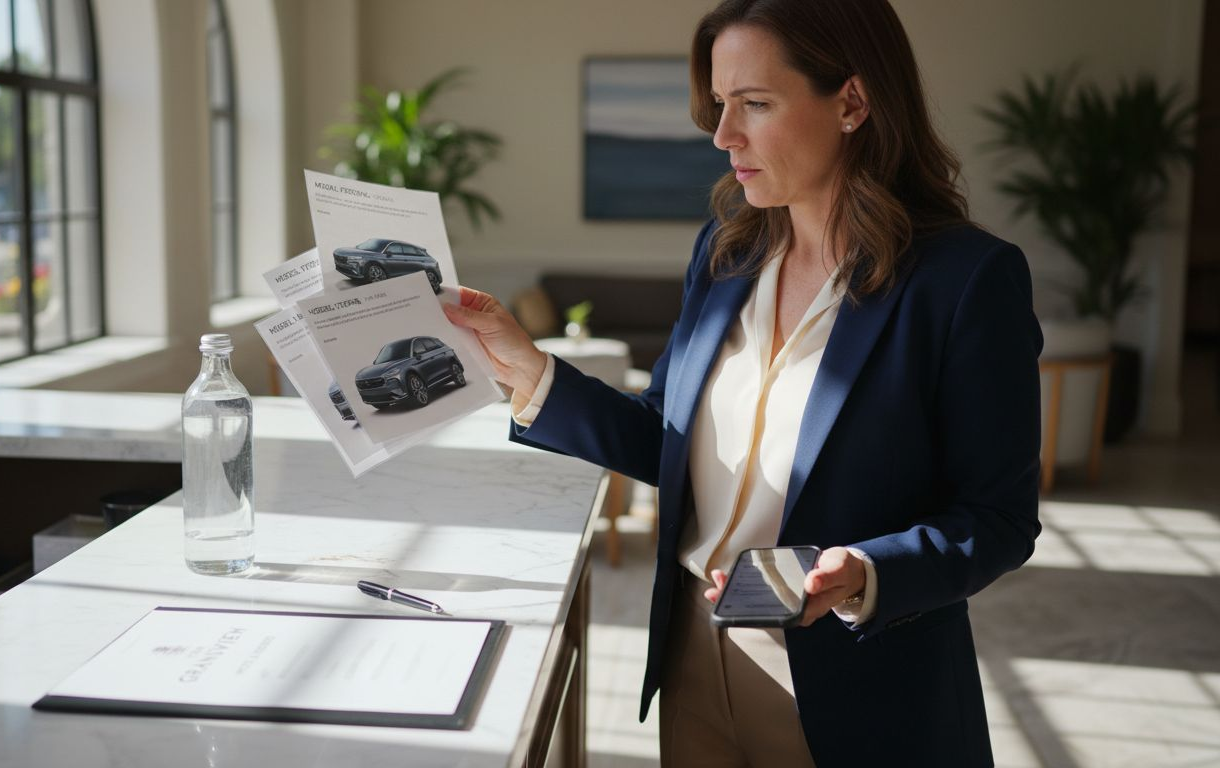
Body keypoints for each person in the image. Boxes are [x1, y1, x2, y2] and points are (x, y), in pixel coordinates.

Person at [444, 0, 1042, 765]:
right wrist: (527, 369)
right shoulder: (726, 254)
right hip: (694, 654)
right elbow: (668, 433)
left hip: (861, 683)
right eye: (722, 105)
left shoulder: (966, 281)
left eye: (755, 104)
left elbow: (996, 518)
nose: (724, 135)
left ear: (853, 102)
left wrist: (866, 573)